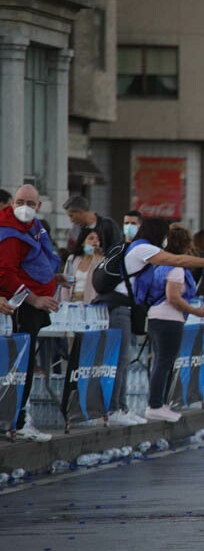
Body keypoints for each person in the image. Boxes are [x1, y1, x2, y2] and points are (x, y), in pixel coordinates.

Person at [93, 217, 204, 424]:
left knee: (124, 360)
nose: (166, 239)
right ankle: (114, 410)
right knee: (121, 361)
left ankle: (120, 407)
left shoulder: (139, 248)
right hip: (118, 306)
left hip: (125, 307)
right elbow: (178, 260)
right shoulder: (143, 249)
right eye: (165, 234)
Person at [0, 185, 62, 441]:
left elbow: (34, 263)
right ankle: (17, 421)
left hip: (31, 303)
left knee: (24, 364)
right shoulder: (12, 234)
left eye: (30, 202)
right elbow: (6, 273)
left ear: (38, 206)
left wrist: (53, 278)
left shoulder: (33, 227)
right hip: (21, 306)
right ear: (13, 203)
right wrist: (34, 298)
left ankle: (19, 418)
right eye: (20, 201)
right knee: (20, 365)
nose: (24, 207)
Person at [141, 224, 204, 421]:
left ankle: (159, 403)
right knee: (164, 362)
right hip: (169, 319)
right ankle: (155, 404)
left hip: (155, 316)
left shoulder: (159, 266)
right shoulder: (176, 269)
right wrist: (195, 311)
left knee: (161, 361)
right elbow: (173, 297)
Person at [60, 230, 103, 304]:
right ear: (83, 242)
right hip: (72, 302)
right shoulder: (73, 259)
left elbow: (100, 282)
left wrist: (97, 259)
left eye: (97, 239)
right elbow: (66, 283)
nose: (95, 241)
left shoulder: (101, 261)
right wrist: (65, 303)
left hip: (91, 303)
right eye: (91, 238)